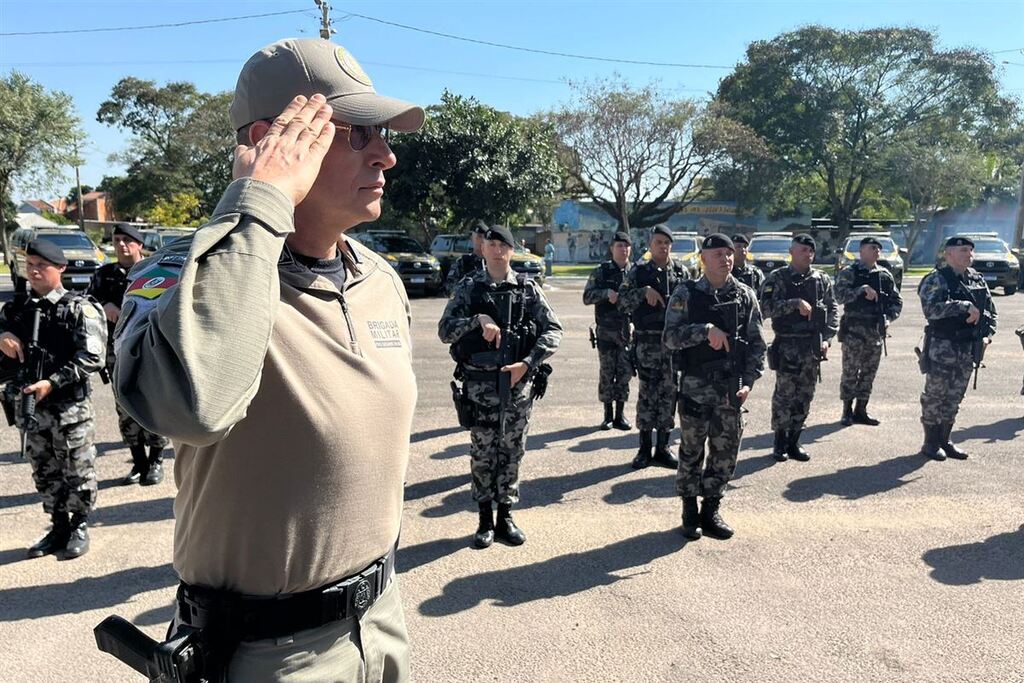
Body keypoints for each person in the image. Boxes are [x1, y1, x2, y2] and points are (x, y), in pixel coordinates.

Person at [111, 38, 424, 681]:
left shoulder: (379, 278)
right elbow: (194, 408)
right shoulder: (181, 276)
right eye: (356, 133)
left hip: (380, 622)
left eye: (384, 135)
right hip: (267, 652)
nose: (385, 155)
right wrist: (261, 197)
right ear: (268, 140)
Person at [438, 225, 562, 549]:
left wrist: (528, 363)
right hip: (479, 390)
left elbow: (553, 331)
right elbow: (445, 330)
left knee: (512, 451)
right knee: (482, 453)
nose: (496, 250)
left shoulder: (527, 289)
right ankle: (484, 518)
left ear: (511, 250)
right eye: (491, 244)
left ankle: (505, 515)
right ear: (483, 248)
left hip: (517, 388)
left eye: (502, 245)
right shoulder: (469, 288)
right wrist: (476, 320)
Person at [0, 240, 106, 560]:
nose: (34, 271)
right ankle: (58, 526)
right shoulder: (15, 310)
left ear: (60, 268)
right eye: (30, 265)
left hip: (69, 410)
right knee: (45, 471)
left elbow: (93, 357)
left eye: (41, 266)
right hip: (32, 408)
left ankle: (79, 525)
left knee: (77, 469)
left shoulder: (80, 307)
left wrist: (52, 382)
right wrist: (2, 335)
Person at [664, 234, 766, 540]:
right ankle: (689, 510)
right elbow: (669, 338)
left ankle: (711, 509)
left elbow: (758, 344)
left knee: (726, 452)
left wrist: (749, 382)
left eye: (729, 253)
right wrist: (705, 330)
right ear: (704, 259)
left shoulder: (745, 295)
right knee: (691, 451)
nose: (726, 258)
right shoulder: (686, 293)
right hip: (696, 387)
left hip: (731, 388)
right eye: (718, 254)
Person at [88, 223, 170, 485]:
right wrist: (104, 305)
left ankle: (156, 459)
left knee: (153, 403)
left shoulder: (155, 271)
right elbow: (86, 303)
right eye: (117, 240)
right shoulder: (103, 275)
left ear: (140, 245)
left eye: (127, 240)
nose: (121, 245)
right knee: (125, 405)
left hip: (149, 349)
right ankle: (139, 461)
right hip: (117, 350)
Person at [916, 236, 997, 460]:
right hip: (943, 347)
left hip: (968, 348)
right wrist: (962, 306)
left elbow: (990, 311)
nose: (969, 254)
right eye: (963, 250)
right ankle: (930, 442)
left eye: (970, 250)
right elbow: (931, 310)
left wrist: (987, 336)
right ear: (948, 254)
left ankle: (945, 440)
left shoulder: (976, 279)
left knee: (955, 396)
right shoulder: (936, 279)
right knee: (935, 395)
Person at [760, 234, 838, 462]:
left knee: (805, 395)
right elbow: (764, 308)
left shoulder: (821, 279)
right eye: (803, 250)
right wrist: (793, 304)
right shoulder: (778, 278)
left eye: (810, 250)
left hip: (812, 346)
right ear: (791, 252)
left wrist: (827, 339)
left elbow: (832, 309)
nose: (807, 254)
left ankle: (794, 441)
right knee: (784, 396)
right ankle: (779, 442)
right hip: (787, 345)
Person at [618, 224, 690, 469]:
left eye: (667, 243)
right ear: (650, 244)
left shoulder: (681, 273)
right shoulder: (638, 272)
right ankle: (644, 448)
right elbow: (622, 303)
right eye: (658, 242)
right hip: (647, 345)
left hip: (673, 347)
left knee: (670, 396)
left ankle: (663, 447)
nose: (663, 246)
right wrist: (643, 292)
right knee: (647, 396)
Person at [834, 236, 903, 426]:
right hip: (854, 330)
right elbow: (839, 296)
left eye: (878, 249)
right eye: (872, 248)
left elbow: (897, 301)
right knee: (850, 372)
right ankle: (847, 410)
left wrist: (888, 318)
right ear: (861, 250)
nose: (876, 251)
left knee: (868, 373)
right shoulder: (849, 272)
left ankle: (861, 410)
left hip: (875, 332)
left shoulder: (884, 275)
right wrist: (861, 289)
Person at [583, 231, 634, 430]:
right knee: (606, 372)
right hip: (606, 330)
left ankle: (620, 415)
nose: (623, 249)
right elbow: (587, 297)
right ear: (612, 248)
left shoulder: (635, 272)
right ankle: (608, 415)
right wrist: (605, 294)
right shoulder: (601, 271)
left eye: (626, 246)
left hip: (626, 331)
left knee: (624, 373)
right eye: (619, 246)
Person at [445, 220, 487, 296]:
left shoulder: (494, 261)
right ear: (472, 238)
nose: (481, 241)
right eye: (478, 237)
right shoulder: (462, 262)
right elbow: (450, 288)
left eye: (484, 237)